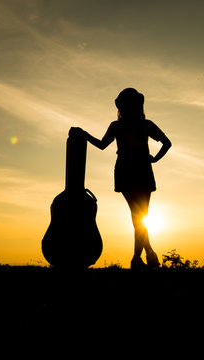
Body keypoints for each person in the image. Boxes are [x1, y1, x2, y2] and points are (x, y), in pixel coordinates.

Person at [71, 88, 171, 269]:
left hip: (132, 169)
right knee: (140, 215)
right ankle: (143, 255)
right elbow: (167, 143)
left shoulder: (128, 126)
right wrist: (154, 158)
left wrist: (155, 159)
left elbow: (102, 145)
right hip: (135, 170)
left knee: (138, 216)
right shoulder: (139, 125)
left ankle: (140, 257)